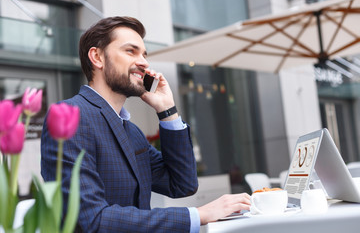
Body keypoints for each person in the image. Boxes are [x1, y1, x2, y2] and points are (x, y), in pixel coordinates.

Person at [41, 16, 251, 233]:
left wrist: (167, 111)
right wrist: (199, 215)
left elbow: (181, 184)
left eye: (144, 54)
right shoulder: (71, 117)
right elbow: (92, 219)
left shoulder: (131, 131)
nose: (144, 62)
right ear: (97, 57)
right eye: (130, 51)